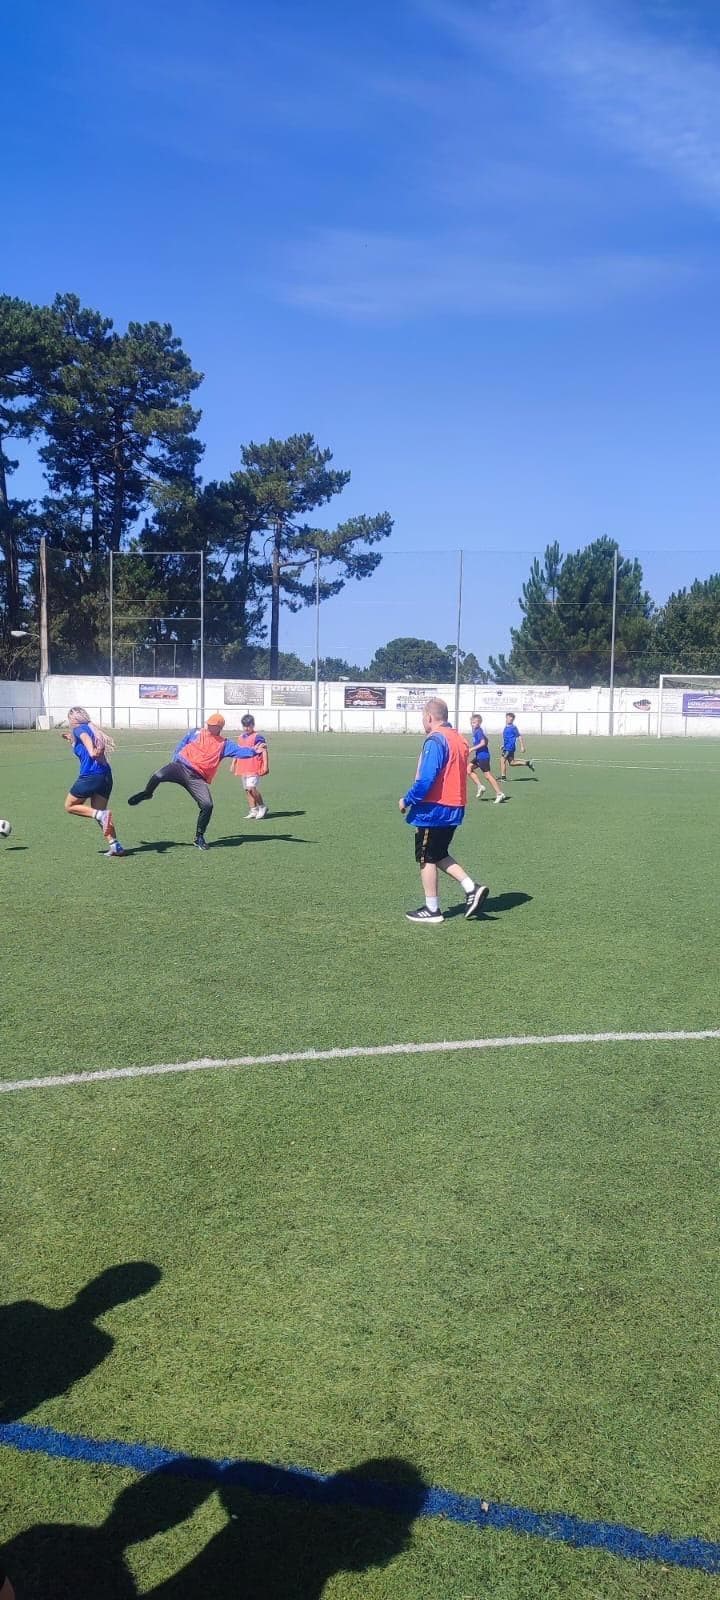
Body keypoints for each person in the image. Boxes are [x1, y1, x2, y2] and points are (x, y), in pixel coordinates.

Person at [399, 697, 489, 925]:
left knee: (426, 856)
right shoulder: (458, 738)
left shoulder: (436, 740)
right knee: (438, 853)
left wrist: (407, 799)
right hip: (454, 806)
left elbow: (426, 779)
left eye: (422, 717)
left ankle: (432, 909)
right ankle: (472, 888)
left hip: (434, 809)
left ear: (429, 717)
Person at [127, 713, 259, 849]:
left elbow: (240, 752)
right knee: (157, 776)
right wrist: (175, 758)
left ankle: (199, 837)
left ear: (219, 727)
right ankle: (148, 793)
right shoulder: (196, 732)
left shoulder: (224, 744)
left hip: (196, 778)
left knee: (207, 805)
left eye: (212, 725)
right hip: (180, 766)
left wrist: (255, 751)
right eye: (208, 723)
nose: (208, 726)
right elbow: (183, 742)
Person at [61, 706, 125, 857]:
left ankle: (101, 816)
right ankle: (115, 846)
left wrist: (91, 751)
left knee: (70, 806)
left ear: (73, 719)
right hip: (105, 776)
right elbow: (81, 738)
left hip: (91, 776)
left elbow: (84, 737)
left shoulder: (79, 729)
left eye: (69, 718)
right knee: (99, 812)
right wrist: (69, 738)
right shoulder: (90, 728)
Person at [231, 713, 269, 819]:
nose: (246, 728)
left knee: (251, 788)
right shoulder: (240, 737)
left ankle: (262, 806)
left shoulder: (258, 737)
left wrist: (265, 765)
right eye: (244, 726)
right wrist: (233, 763)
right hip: (243, 767)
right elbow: (237, 751)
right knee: (247, 790)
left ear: (253, 725)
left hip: (254, 766)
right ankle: (253, 810)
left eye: (249, 726)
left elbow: (264, 751)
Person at [467, 714, 506, 803]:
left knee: (487, 775)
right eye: (472, 722)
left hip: (483, 756)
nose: (473, 724)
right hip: (479, 756)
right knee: (469, 769)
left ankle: (499, 793)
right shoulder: (476, 731)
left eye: (474, 722)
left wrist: (471, 749)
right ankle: (480, 786)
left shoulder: (478, 731)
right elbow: (486, 740)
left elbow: (483, 742)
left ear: (479, 723)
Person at [500, 712, 535, 779]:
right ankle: (527, 763)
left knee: (502, 760)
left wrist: (522, 746)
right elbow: (507, 738)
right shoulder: (506, 727)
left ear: (513, 719)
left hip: (509, 747)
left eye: (511, 718)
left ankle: (503, 777)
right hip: (507, 747)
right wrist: (503, 745)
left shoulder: (513, 727)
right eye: (507, 718)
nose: (508, 719)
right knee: (512, 763)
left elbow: (519, 736)